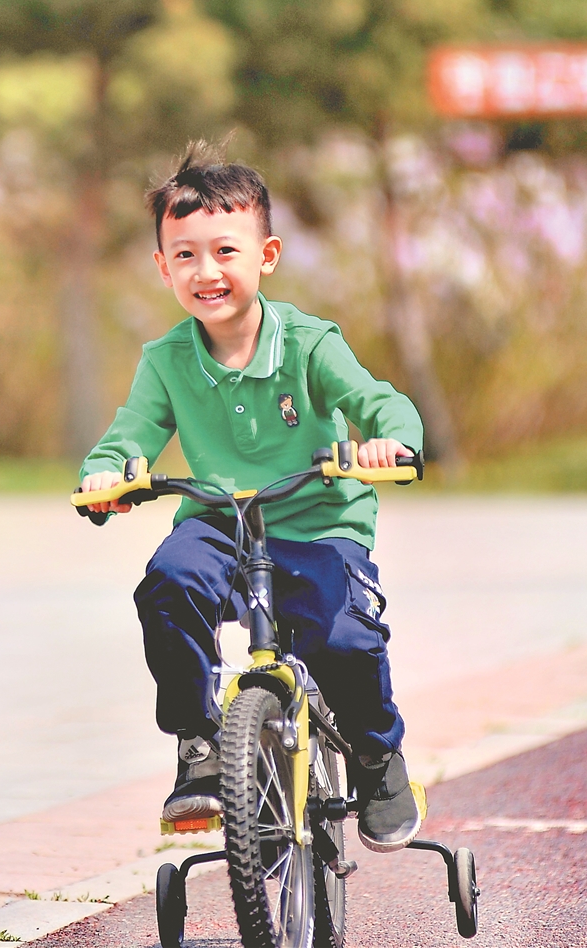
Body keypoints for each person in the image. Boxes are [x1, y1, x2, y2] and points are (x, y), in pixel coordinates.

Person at [80, 140, 424, 853]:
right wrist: (108, 472)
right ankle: (200, 743)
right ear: (163, 266)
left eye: (225, 251)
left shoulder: (309, 343)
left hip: (318, 521)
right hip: (220, 521)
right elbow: (130, 434)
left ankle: (374, 754)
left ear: (266, 256)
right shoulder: (166, 361)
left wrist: (390, 441)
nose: (206, 271)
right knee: (169, 583)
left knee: (344, 638)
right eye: (185, 255)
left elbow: (377, 401)